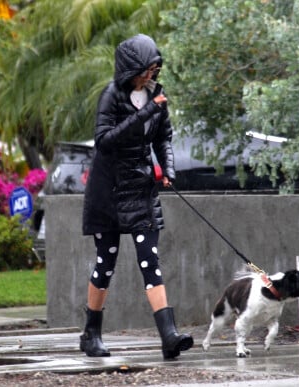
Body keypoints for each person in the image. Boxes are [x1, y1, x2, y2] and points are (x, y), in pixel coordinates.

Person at [80, 34, 193, 360]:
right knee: (106, 262)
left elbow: (163, 139)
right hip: (108, 190)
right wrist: (145, 114)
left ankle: (168, 336)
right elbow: (105, 140)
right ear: (131, 68)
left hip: (140, 188)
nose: (151, 76)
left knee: (150, 259)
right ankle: (92, 333)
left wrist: (168, 168)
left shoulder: (156, 97)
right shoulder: (112, 96)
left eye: (154, 70)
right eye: (146, 70)